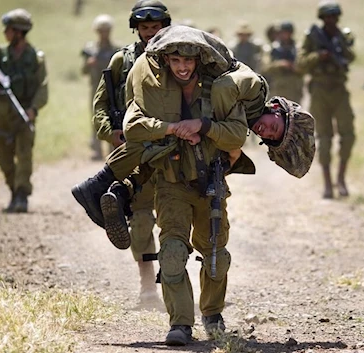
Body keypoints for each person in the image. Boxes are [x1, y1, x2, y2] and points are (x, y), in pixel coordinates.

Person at [72, 25, 315, 345]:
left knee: (216, 255)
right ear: (277, 108)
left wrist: (203, 127)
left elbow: (233, 137)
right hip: (171, 182)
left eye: (269, 137)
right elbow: (136, 128)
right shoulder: (166, 83)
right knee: (172, 252)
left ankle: (212, 315)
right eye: (272, 126)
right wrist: (175, 127)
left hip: (209, 184)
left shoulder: (232, 99)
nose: (266, 131)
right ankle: (180, 323)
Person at [89, 0, 171, 305]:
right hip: (134, 155)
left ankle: (175, 280)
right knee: (139, 221)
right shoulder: (121, 61)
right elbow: (100, 105)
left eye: (155, 26)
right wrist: (109, 131)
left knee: (176, 217)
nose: (150, 33)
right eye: (145, 27)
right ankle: (147, 285)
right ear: (136, 29)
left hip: (171, 150)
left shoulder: (180, 55)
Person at [0, 9, 48, 213]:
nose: (5, 33)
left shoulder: (36, 58)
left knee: (24, 157)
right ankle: (13, 191)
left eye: (9, 29)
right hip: (2, 116)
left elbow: (43, 86)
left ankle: (22, 195)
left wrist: (33, 109)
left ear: (19, 32)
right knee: (4, 159)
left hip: (24, 115)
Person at [297, 0, 356, 199]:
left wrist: (340, 46)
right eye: (327, 17)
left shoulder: (343, 36)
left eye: (333, 17)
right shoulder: (312, 36)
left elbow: (351, 57)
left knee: (348, 135)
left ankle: (341, 178)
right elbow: (301, 63)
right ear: (322, 18)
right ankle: (328, 183)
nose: (330, 20)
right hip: (320, 91)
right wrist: (318, 56)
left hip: (339, 89)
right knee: (323, 137)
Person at [81, 14, 120, 161]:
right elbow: (83, 71)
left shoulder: (116, 50)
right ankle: (97, 150)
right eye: (101, 31)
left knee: (113, 118)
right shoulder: (91, 50)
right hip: (95, 89)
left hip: (112, 90)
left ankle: (112, 149)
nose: (104, 34)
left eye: (106, 30)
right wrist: (89, 63)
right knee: (96, 119)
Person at [261, 21, 303, 103]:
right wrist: (280, 64)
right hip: (277, 87)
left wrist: (295, 67)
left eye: (287, 32)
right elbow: (265, 67)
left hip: (294, 88)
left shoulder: (297, 48)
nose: (284, 35)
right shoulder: (271, 48)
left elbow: (303, 65)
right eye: (282, 32)